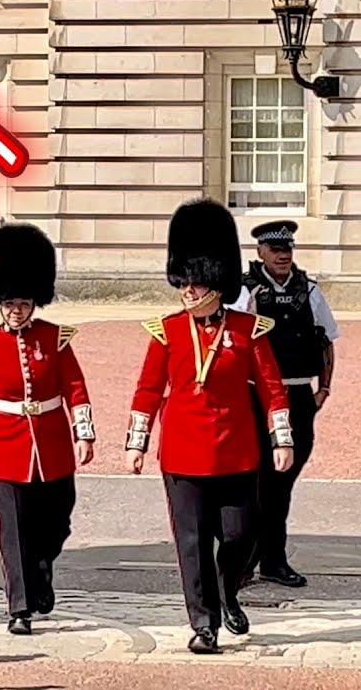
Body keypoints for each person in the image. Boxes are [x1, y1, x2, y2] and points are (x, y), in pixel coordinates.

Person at [123, 199, 294, 654]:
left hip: (236, 450)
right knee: (192, 543)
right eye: (184, 283)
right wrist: (136, 444)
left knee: (240, 536)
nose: (187, 292)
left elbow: (273, 390)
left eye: (196, 284)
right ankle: (203, 624)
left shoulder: (248, 330)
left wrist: (282, 438)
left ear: (216, 284)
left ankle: (227, 591)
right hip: (181, 452)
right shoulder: (167, 332)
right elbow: (146, 391)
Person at [0, 223, 96, 635]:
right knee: (11, 531)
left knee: (58, 520)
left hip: (50, 441)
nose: (17, 309)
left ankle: (42, 564)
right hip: (2, 444)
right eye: (10, 302)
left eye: (24, 302)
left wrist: (83, 432)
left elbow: (75, 387)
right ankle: (19, 607)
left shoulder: (55, 339)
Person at [233, 220, 340, 589]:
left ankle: (273, 561)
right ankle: (242, 562)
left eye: (288, 249)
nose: (283, 255)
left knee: (281, 483)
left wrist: (323, 389)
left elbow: (326, 341)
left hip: (297, 394)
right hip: (255, 396)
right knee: (252, 481)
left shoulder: (309, 291)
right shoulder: (245, 292)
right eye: (276, 249)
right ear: (260, 251)